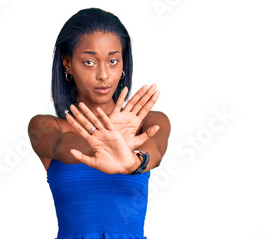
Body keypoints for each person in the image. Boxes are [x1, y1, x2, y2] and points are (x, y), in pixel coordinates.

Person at [27, 8, 170, 239]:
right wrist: (104, 146)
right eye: (90, 62)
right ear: (67, 63)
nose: (104, 74)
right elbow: (63, 146)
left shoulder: (150, 122)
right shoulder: (45, 126)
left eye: (113, 60)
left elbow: (155, 153)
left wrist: (133, 160)